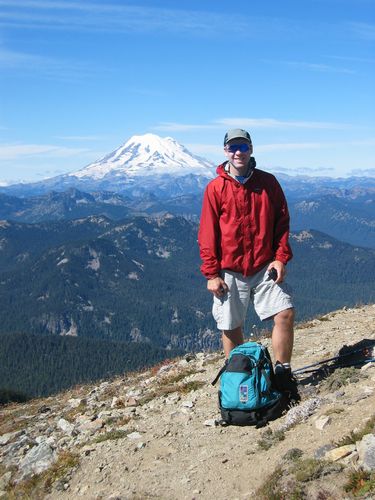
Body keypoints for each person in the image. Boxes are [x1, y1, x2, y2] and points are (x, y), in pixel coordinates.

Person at [198, 128, 299, 403]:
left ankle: (282, 373)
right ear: (225, 152)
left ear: (251, 149)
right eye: (233, 148)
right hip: (230, 271)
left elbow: (282, 224)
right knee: (231, 327)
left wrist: (280, 257)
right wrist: (211, 273)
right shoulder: (216, 188)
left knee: (285, 313)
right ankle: (240, 379)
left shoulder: (269, 183)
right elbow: (208, 234)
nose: (238, 152)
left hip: (264, 265)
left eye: (242, 146)